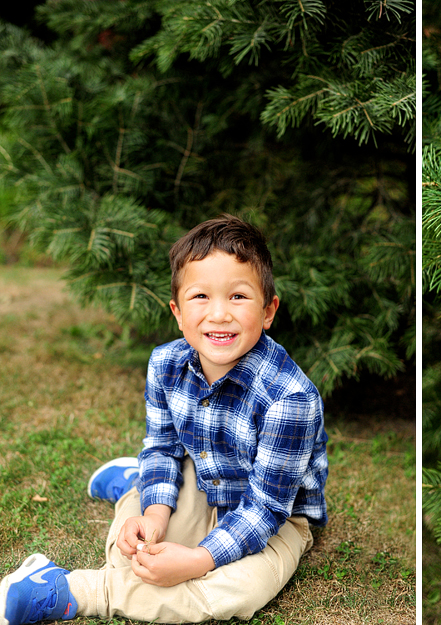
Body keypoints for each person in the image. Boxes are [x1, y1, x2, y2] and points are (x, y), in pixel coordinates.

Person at [1, 215, 329, 625]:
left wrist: (198, 559)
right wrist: (155, 512)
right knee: (132, 555)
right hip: (202, 477)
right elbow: (162, 446)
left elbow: (264, 508)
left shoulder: (290, 398)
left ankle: (73, 590)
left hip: (277, 518)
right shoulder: (165, 364)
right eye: (200, 297)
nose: (219, 314)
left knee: (231, 594)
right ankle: (138, 486)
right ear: (177, 311)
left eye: (239, 297)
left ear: (268, 311)